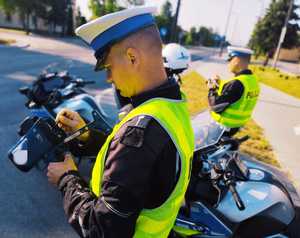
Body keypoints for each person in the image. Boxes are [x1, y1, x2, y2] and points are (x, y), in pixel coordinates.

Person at [47, 6, 194, 238]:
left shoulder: (142, 131)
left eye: (108, 68)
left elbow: (100, 229)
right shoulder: (173, 106)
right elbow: (141, 163)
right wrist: (87, 135)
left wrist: (67, 179)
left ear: (132, 57)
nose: (108, 78)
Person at [207, 46, 260, 136]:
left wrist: (212, 88)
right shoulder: (253, 80)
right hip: (236, 126)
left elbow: (216, 106)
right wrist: (220, 84)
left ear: (237, 60)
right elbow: (235, 95)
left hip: (222, 128)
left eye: (230, 60)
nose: (228, 64)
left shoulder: (236, 83)